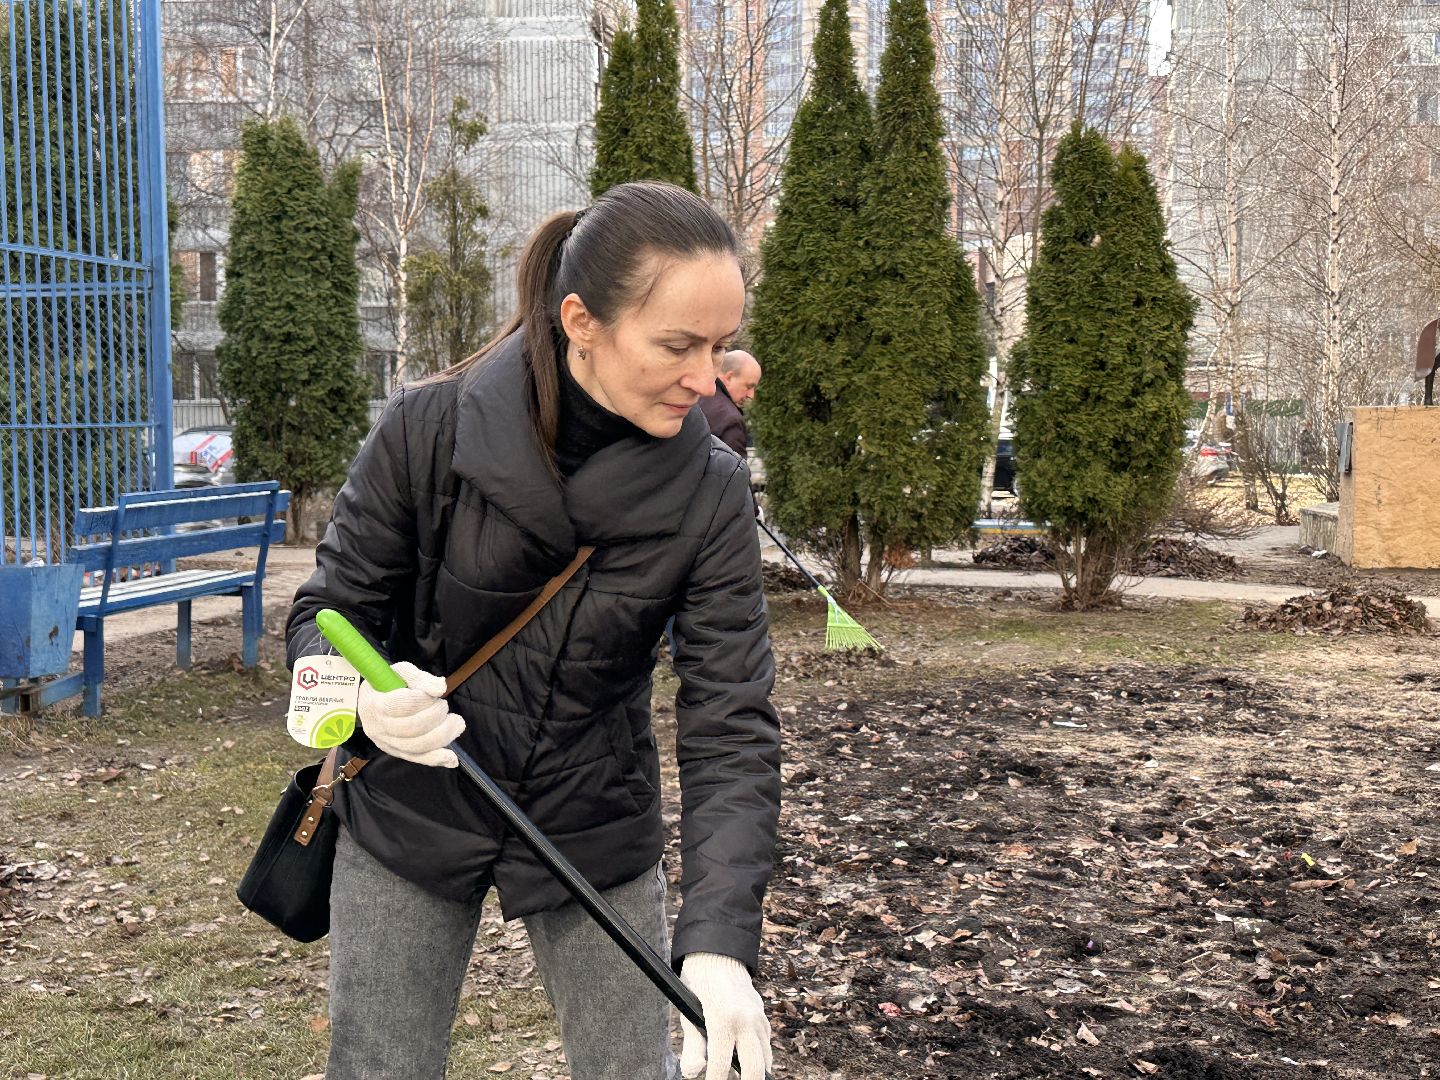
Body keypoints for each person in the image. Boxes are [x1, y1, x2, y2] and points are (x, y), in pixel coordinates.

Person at [286, 181, 781, 1080]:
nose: (707, 380)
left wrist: (719, 940)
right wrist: (359, 699)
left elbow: (731, 719)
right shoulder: (426, 429)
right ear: (582, 321)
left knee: (633, 1071)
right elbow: (325, 612)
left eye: (719, 346)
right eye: (678, 345)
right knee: (379, 1067)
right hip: (409, 805)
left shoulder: (710, 490)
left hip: (594, 815)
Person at [700, 349, 761, 458]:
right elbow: (735, 468)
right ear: (729, 378)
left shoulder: (693, 397)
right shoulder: (731, 420)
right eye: (748, 386)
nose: (751, 395)